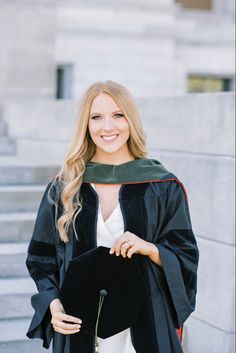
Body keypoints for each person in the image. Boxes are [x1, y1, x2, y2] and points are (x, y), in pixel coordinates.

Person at [26, 80, 199, 353]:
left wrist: (151, 249)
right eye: (96, 117)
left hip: (143, 328)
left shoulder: (162, 186)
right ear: (86, 124)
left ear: (130, 119)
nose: (108, 127)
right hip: (79, 324)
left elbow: (186, 254)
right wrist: (53, 304)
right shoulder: (64, 188)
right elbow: (40, 259)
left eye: (118, 115)